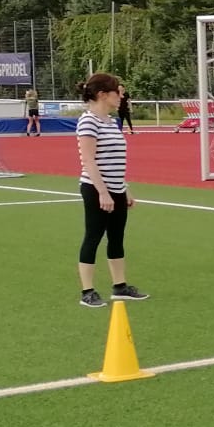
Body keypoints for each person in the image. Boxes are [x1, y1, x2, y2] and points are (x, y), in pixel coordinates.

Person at [75, 72, 148, 308]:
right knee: (93, 236)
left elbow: (115, 161)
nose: (121, 96)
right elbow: (89, 160)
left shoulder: (111, 121)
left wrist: (124, 189)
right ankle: (87, 291)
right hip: (95, 188)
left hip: (116, 188)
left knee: (117, 237)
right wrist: (103, 192)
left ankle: (120, 286)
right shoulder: (88, 121)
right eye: (117, 92)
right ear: (102, 94)